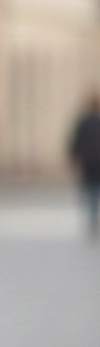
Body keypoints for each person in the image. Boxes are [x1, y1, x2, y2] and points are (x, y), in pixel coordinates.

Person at [68, 90, 100, 240]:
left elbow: (75, 141)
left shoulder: (83, 121)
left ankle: (92, 214)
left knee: (89, 189)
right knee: (95, 188)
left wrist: (73, 157)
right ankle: (93, 213)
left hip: (87, 161)